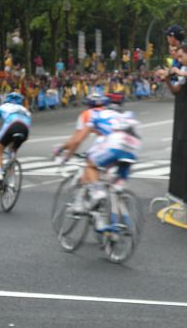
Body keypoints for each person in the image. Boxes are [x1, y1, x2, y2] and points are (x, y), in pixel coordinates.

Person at [58, 93, 141, 228]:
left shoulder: (92, 115)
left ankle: (98, 194)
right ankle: (119, 209)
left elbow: (77, 139)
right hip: (133, 146)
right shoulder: (121, 115)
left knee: (90, 165)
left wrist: (66, 155)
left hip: (114, 143)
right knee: (114, 183)